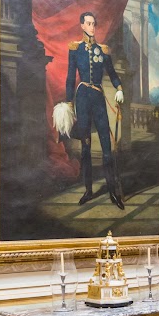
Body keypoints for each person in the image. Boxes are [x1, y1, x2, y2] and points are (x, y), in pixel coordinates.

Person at [56, 11, 125, 208]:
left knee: (106, 146)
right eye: (88, 23)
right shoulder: (75, 49)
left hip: (98, 98)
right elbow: (70, 77)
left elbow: (112, 74)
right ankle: (88, 190)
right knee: (85, 146)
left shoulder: (103, 50)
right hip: (83, 98)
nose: (92, 27)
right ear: (82, 26)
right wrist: (69, 102)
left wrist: (119, 89)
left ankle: (112, 191)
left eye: (94, 23)